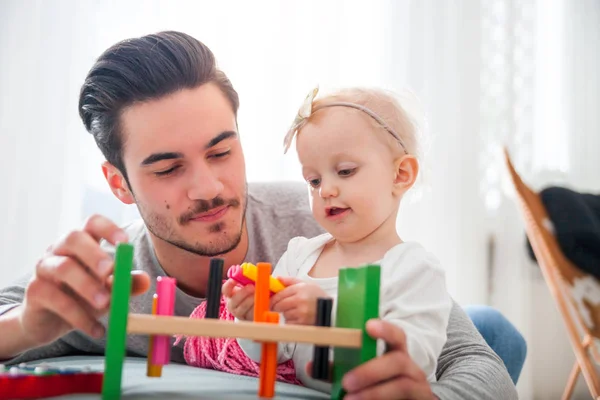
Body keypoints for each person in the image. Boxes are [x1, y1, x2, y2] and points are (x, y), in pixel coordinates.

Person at [0, 30, 520, 400]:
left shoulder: (319, 216)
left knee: (494, 332)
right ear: (119, 183)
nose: (209, 188)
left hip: (411, 328)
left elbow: (474, 364)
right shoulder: (108, 282)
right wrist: (27, 327)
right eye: (168, 168)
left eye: (222, 152)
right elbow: (12, 316)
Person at [193, 86, 451, 394]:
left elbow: (414, 361)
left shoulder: (413, 269)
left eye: (344, 171)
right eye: (313, 180)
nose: (325, 190)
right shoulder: (300, 255)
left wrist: (327, 317)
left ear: (401, 175)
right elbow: (272, 355)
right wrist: (253, 322)